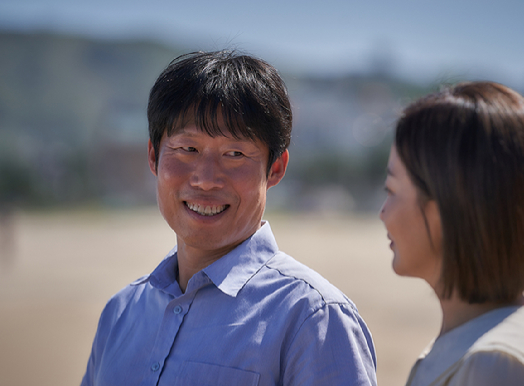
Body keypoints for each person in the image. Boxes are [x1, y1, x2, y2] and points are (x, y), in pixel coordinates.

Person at [81, 50, 377, 386]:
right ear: (153, 156)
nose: (206, 179)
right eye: (187, 149)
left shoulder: (313, 318)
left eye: (235, 154)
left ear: (275, 168)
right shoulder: (120, 313)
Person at [379, 81, 524, 386]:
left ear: (446, 207)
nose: (383, 212)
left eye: (391, 190)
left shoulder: (493, 365)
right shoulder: (486, 345)